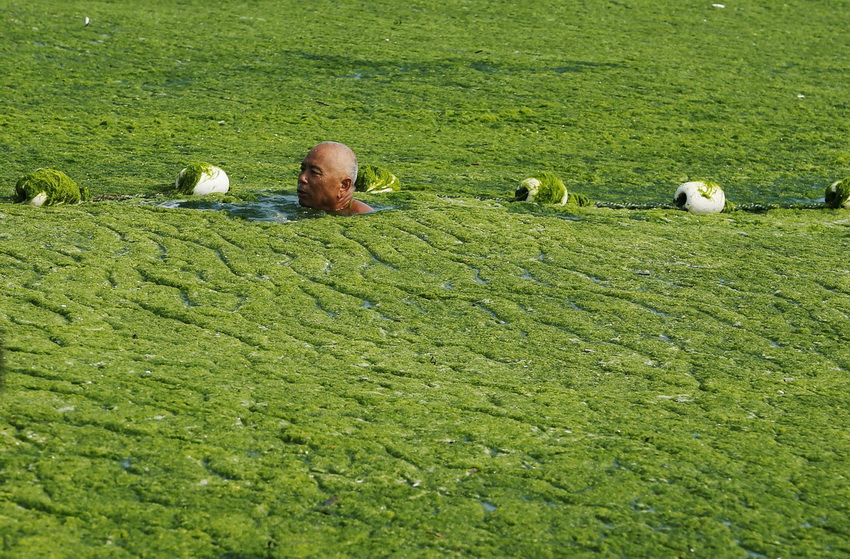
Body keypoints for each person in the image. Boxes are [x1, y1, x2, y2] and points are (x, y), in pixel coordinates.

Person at [297, 142, 373, 215]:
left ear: (344, 186)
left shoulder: (362, 218)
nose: (302, 178)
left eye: (314, 172)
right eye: (303, 169)